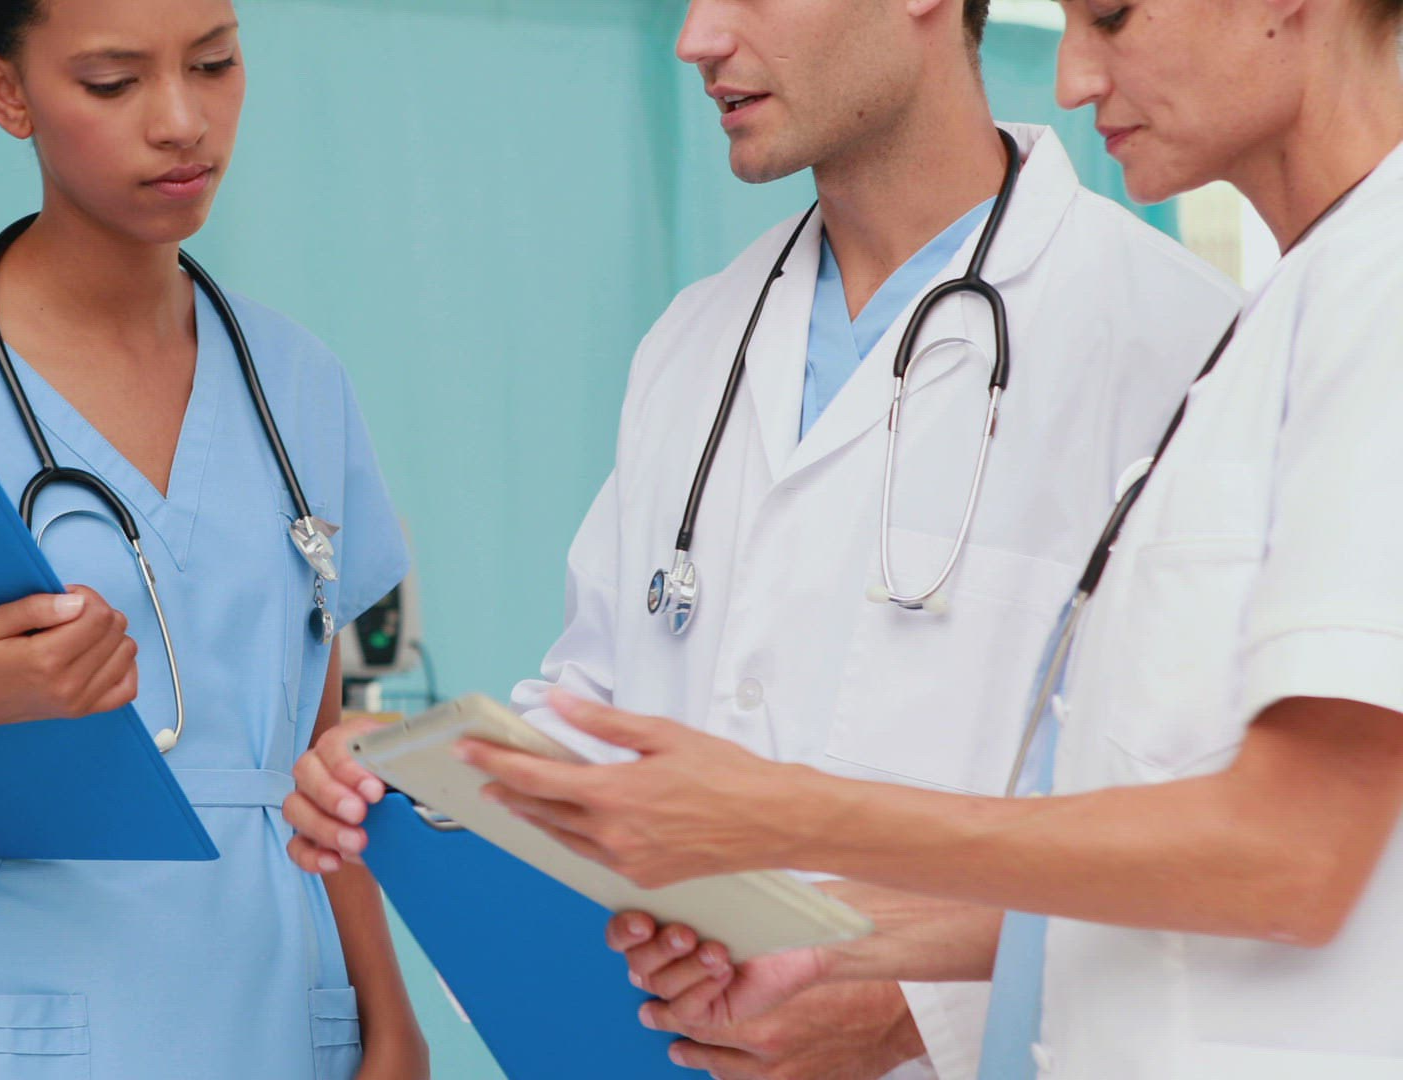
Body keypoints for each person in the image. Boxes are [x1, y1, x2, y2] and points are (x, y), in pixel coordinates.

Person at [285, 0, 1239, 1074]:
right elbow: (607, 719)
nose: (697, 39)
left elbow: (1239, 848)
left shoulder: (1179, 345)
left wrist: (922, 1010)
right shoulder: (697, 338)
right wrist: (425, 780)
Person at [461, 0, 1403, 1075]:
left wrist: (788, 823)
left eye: (1110, 15)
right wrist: (842, 946)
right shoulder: (1294, 311)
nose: (1071, 78)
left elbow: (1293, 853)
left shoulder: (1290, 309)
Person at [0, 1, 426, 1076]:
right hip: (12, 1021)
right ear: (7, 92)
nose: (182, 120)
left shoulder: (297, 382)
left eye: (215, 64)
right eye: (114, 82)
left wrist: (390, 1021)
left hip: (282, 1009)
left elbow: (319, 767)